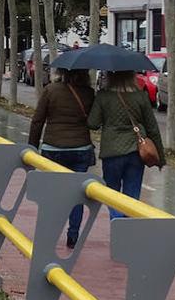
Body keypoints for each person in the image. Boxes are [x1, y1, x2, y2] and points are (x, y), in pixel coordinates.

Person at [28, 69, 95, 248]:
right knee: (77, 194)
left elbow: (37, 120)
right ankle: (73, 235)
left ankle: (48, 233)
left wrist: (32, 148)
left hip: (53, 149)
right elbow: (94, 122)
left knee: (52, 193)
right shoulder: (89, 93)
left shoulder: (51, 90)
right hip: (81, 149)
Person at [88, 70, 166, 220]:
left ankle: (117, 222)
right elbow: (152, 128)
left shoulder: (103, 96)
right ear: (132, 76)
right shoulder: (140, 96)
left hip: (112, 151)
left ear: (110, 76)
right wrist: (160, 158)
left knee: (112, 194)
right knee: (132, 195)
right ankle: (128, 226)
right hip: (137, 151)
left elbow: (93, 123)